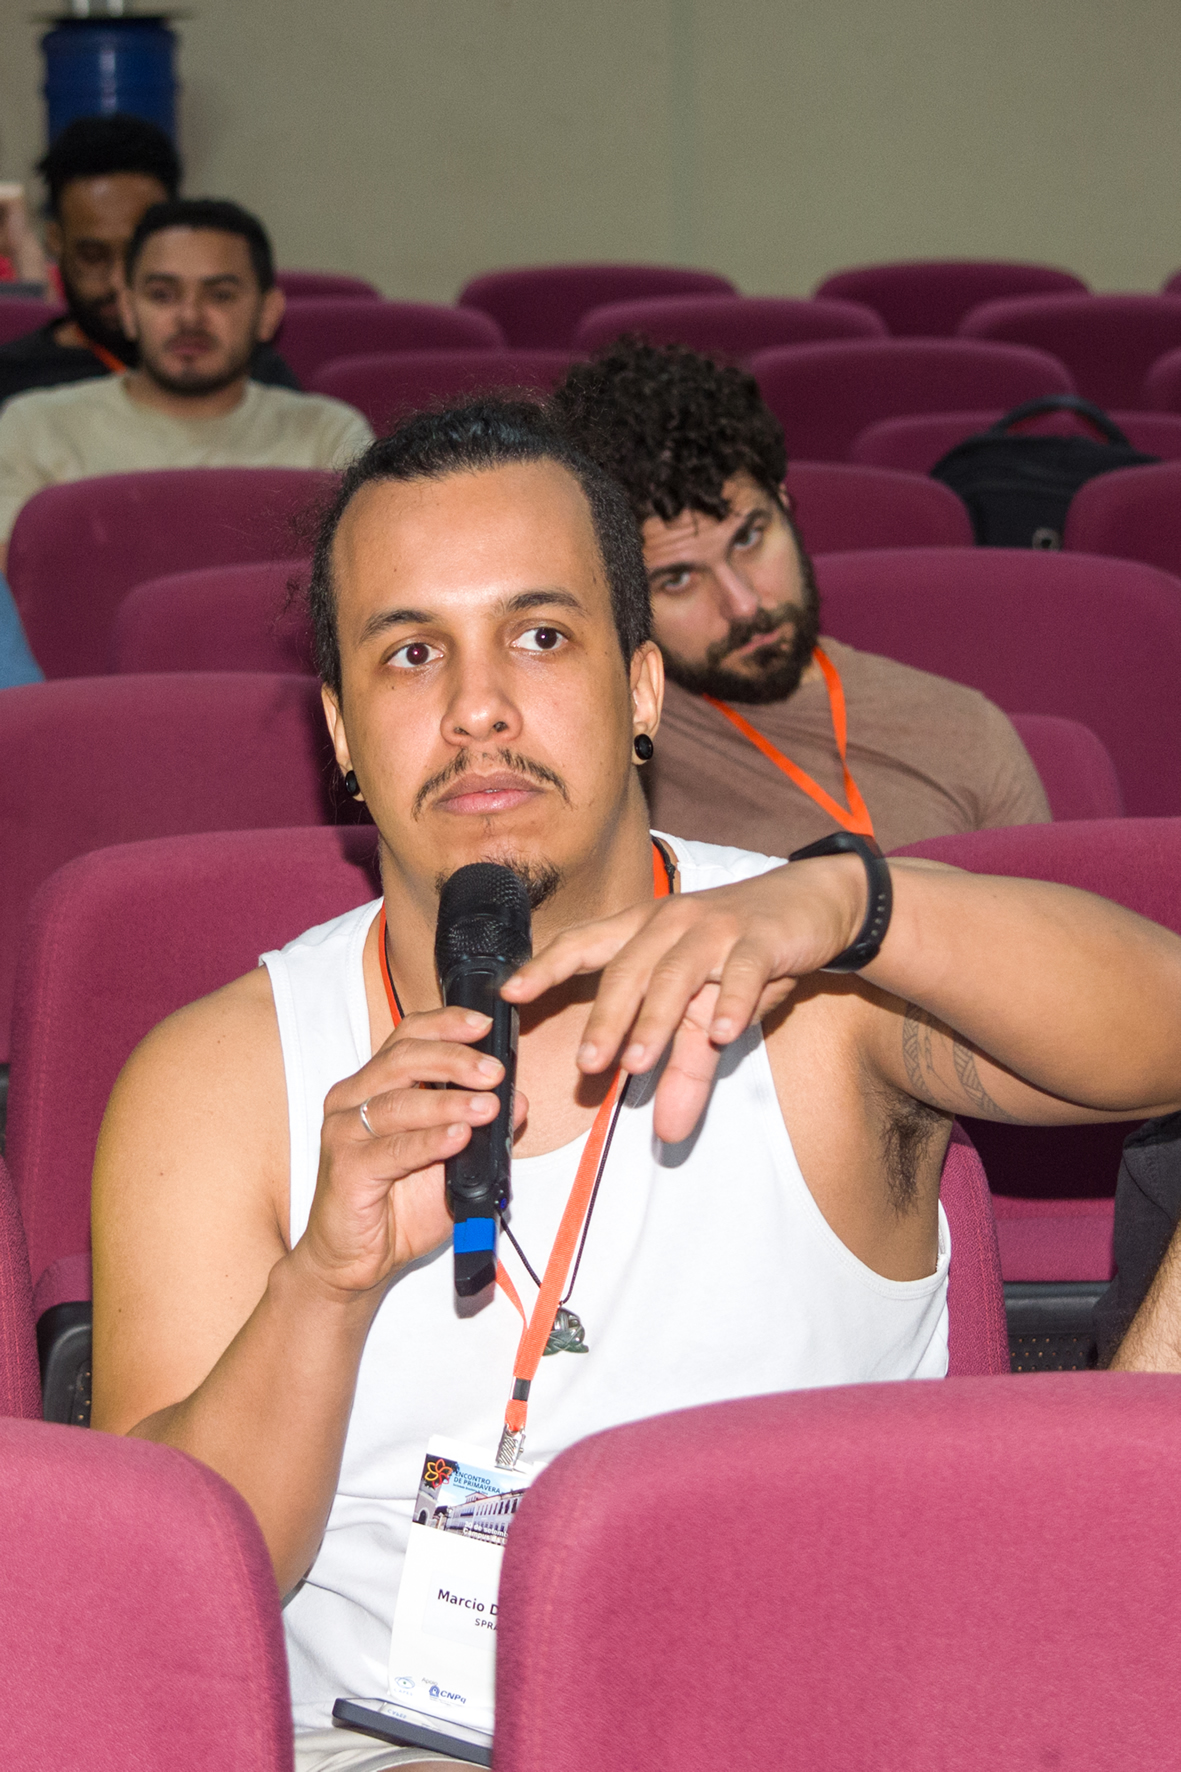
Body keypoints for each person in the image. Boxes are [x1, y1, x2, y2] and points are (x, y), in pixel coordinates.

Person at [90, 400, 1181, 1768]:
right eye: (412, 652)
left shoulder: (822, 989)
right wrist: (324, 1285)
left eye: (539, 637)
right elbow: (159, 1598)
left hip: (799, 1737)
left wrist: (852, 904)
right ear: (342, 733)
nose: (478, 707)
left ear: (642, 688)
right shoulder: (217, 1080)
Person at [550, 337, 1050, 855]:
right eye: (677, 580)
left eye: (749, 539)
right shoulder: (598, 761)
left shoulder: (965, 731)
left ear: (785, 505)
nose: (744, 605)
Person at [0, 198, 373, 562]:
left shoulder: (327, 435)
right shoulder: (35, 426)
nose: (190, 317)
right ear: (128, 310)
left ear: (267, 313)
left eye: (220, 296)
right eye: (163, 295)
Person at [0, 113, 298, 407]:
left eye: (136, 253)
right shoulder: (13, 381)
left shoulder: (242, 368)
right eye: (93, 257)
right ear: (56, 240)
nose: (118, 281)